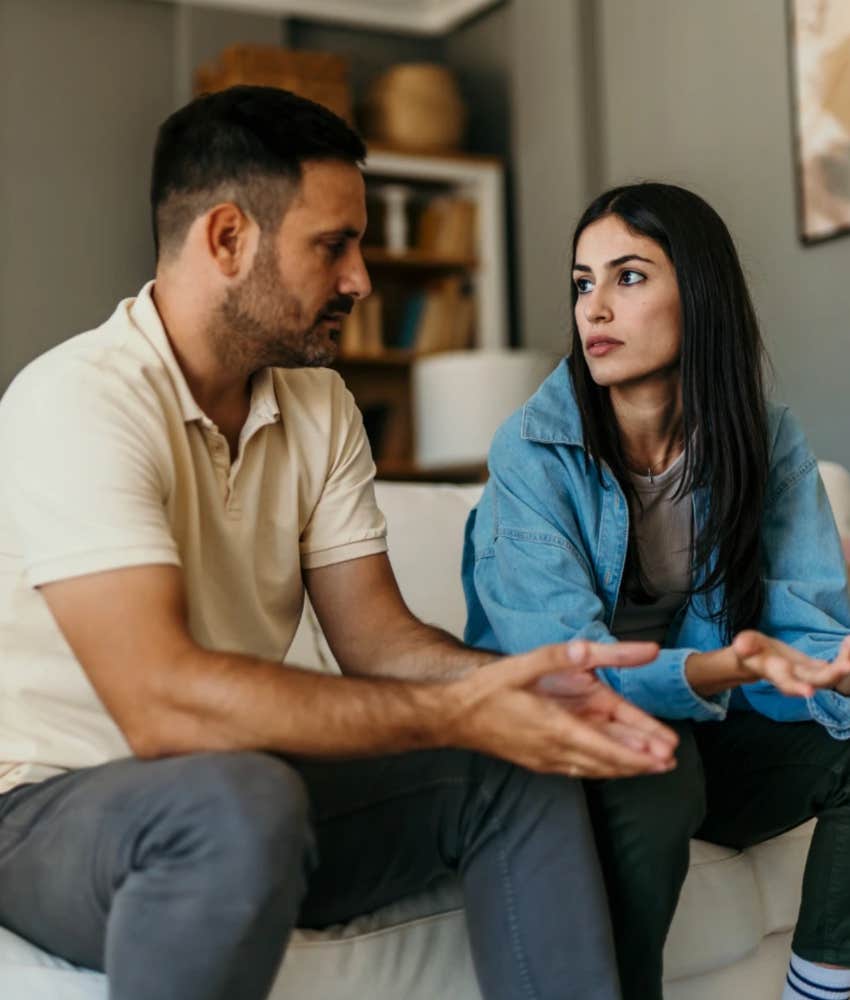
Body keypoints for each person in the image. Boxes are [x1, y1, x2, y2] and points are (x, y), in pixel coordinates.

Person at [0, 87, 680, 1000]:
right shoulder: (79, 400)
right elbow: (161, 709)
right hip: (48, 809)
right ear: (228, 239)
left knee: (513, 763)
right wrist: (455, 712)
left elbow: (376, 640)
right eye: (334, 245)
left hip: (242, 783)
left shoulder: (318, 407)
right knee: (239, 802)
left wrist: (503, 689)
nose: (361, 278)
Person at [462, 181, 850, 1000]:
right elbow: (565, 666)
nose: (594, 308)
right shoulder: (531, 451)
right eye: (582, 282)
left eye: (628, 277)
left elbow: (801, 627)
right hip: (573, 729)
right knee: (656, 774)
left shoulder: (766, 438)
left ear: (698, 295)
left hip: (709, 721)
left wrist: (834, 673)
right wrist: (721, 673)